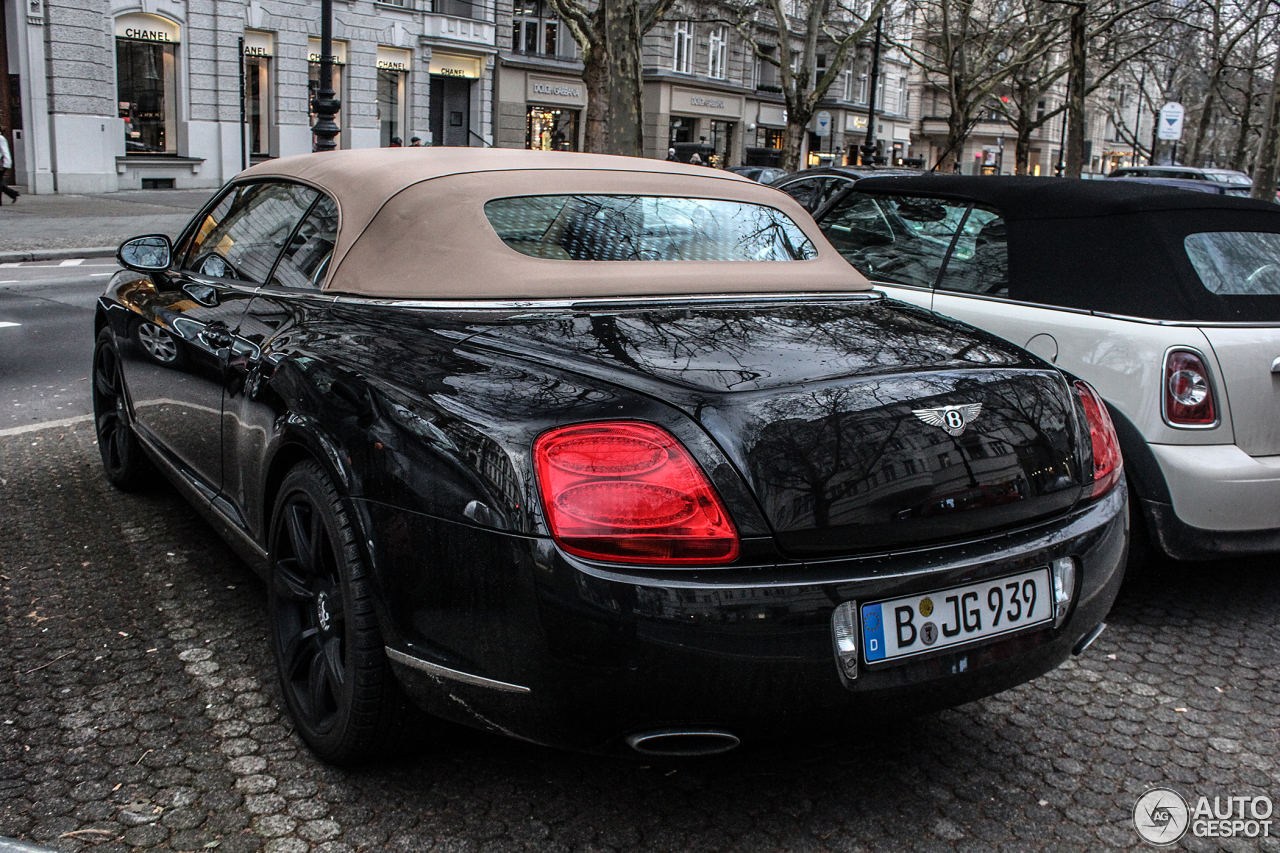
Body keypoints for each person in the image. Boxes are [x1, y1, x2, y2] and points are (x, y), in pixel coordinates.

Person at [0, 133, 17, 205]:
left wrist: (6, 164)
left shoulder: (1, 138)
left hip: (1, 164)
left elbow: (5, 151)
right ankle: (13, 194)